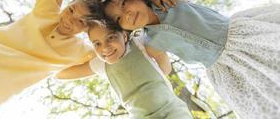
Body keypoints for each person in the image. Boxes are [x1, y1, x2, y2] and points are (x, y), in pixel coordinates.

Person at [101, 0, 280, 118]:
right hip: (226, 69)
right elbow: (163, 70)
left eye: (124, 4)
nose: (127, 15)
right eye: (119, 18)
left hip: (241, 40)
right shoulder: (151, 43)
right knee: (264, 97)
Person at [0, 0, 95, 116]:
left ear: (87, 29)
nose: (70, 19)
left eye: (81, 21)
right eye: (71, 10)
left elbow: (104, 61)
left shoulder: (78, 51)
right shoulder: (46, 12)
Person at [56, 17, 193, 119]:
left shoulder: (139, 42)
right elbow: (61, 74)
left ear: (125, 35)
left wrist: (159, 78)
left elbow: (164, 63)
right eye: (97, 43)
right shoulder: (100, 64)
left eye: (111, 37)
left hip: (171, 109)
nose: (105, 47)